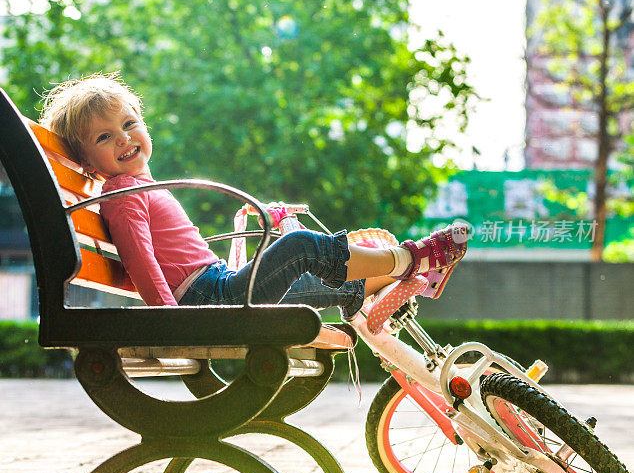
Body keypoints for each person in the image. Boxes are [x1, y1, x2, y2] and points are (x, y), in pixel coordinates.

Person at [40, 74, 467, 318]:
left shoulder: (137, 187)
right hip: (208, 298)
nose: (124, 139)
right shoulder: (124, 193)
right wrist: (169, 322)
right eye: (104, 136)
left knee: (312, 282)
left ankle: (397, 284)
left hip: (216, 287)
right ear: (89, 162)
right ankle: (411, 259)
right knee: (298, 246)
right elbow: (140, 259)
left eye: (129, 124)